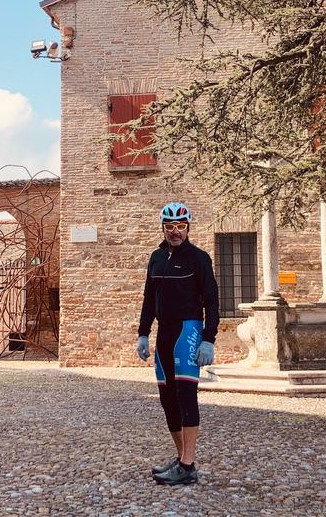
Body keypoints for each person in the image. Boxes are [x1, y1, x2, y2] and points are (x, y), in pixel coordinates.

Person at [136, 201, 219, 486]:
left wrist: (208, 339)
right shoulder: (156, 258)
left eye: (181, 226)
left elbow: (212, 301)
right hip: (164, 334)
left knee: (186, 396)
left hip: (188, 330)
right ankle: (183, 458)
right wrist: (143, 333)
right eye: (170, 226)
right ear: (163, 228)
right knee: (167, 398)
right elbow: (149, 298)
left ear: (188, 228)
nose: (175, 232)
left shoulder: (199, 259)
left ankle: (187, 464)